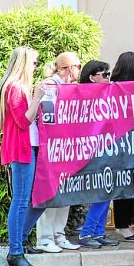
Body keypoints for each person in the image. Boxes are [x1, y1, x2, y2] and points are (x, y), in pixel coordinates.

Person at [0, 47, 46, 266]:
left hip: (30, 147)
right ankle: (15, 251)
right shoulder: (16, 89)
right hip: (22, 149)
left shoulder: (20, 88)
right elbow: (23, 122)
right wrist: (36, 98)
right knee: (22, 200)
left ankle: (21, 241)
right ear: (25, 63)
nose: (36, 66)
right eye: (34, 63)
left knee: (38, 198)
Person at [36, 52, 82, 253]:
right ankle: (45, 238)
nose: (80, 69)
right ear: (68, 68)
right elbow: (47, 116)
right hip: (53, 149)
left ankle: (59, 235)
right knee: (50, 192)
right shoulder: (50, 85)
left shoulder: (71, 87)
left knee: (65, 193)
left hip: (69, 149)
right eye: (78, 65)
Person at [77, 61, 120, 248]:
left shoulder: (107, 93)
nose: (107, 78)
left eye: (108, 74)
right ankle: (87, 233)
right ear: (91, 77)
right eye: (104, 74)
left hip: (106, 148)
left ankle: (98, 232)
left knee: (106, 192)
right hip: (91, 151)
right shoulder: (82, 95)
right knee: (100, 193)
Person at [111, 51, 134, 242]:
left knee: (130, 183)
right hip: (118, 144)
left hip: (133, 143)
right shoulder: (114, 89)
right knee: (121, 184)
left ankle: (127, 223)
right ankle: (122, 225)